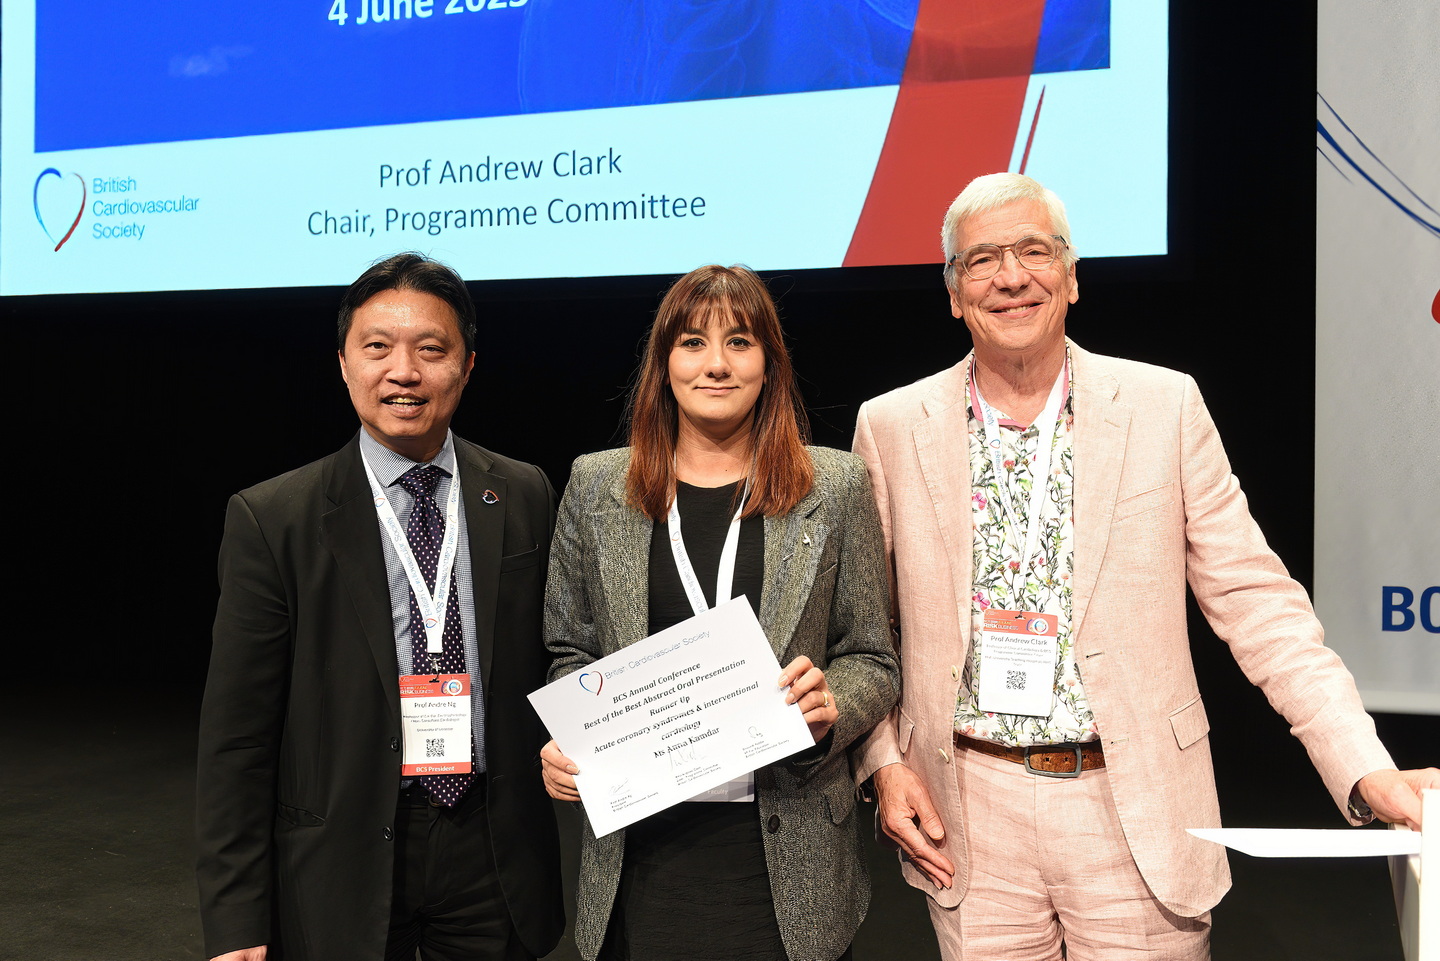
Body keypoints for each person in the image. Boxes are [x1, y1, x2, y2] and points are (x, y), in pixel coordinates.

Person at [851, 173, 1439, 960]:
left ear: (1072, 275)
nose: (1012, 276)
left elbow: (1260, 606)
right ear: (954, 292)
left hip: (1133, 809)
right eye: (983, 260)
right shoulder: (889, 426)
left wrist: (1366, 768)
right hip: (970, 811)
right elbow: (863, 629)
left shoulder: (1165, 406)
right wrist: (884, 763)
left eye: (1034, 250)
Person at [196, 253, 563, 961]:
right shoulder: (276, 517)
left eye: (431, 349)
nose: (404, 371)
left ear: (467, 364)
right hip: (344, 851)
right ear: (343, 363)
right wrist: (237, 918)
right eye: (377, 347)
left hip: (492, 847)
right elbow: (236, 737)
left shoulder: (522, 493)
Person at [540, 264, 899, 961]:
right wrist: (572, 739)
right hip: (642, 852)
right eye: (692, 343)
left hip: (786, 848)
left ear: (769, 364)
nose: (716, 364)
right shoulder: (594, 485)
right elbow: (570, 648)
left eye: (739, 342)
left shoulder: (836, 484)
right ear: (664, 364)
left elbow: (874, 656)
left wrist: (833, 702)